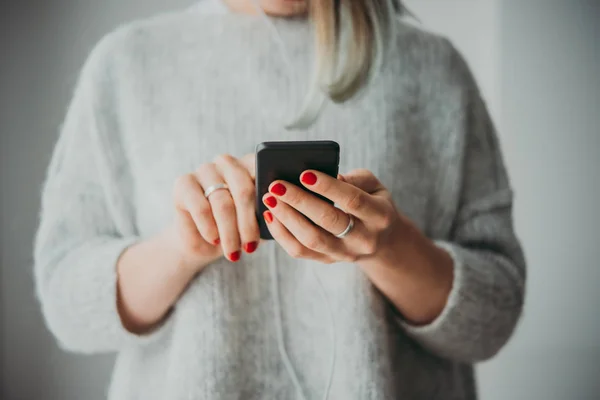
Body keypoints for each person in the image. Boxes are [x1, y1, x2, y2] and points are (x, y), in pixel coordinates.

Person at [33, 0, 526, 399]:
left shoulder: (433, 69)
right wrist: (183, 247)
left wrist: (389, 245)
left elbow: (493, 316)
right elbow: (67, 304)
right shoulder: (126, 64)